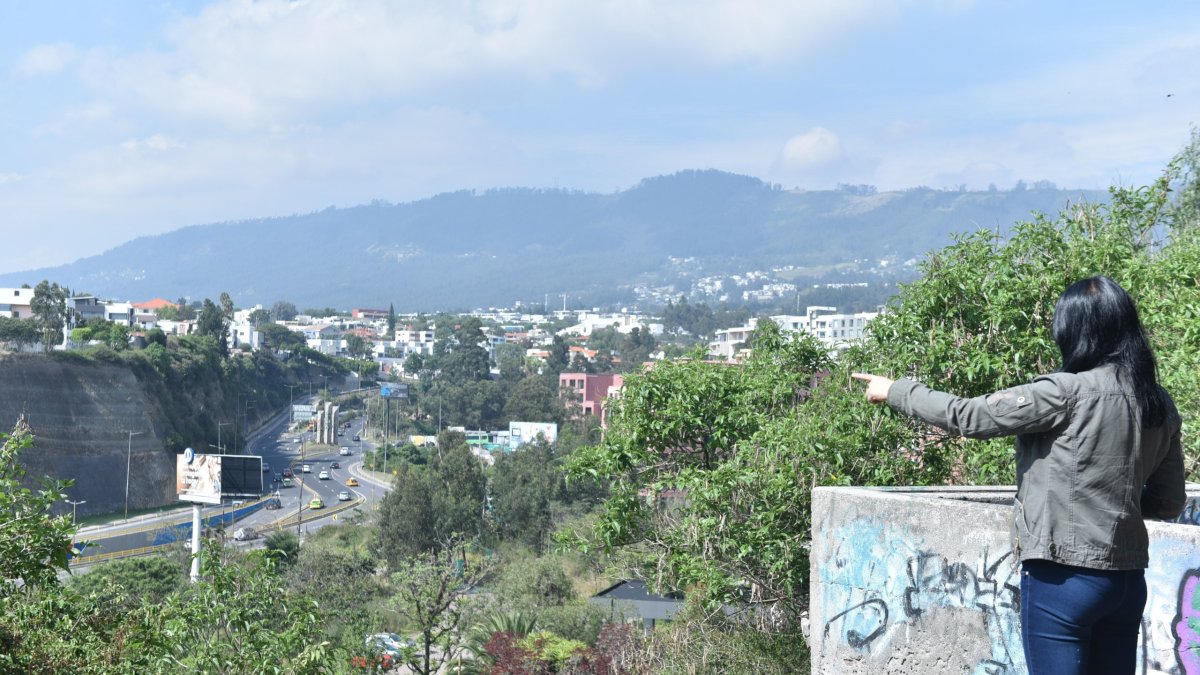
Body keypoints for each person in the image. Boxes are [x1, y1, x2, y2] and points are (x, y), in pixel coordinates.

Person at [852, 276, 1185, 675]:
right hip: (1127, 582)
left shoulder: (1064, 392)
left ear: (1074, 331)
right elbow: (1169, 502)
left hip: (1062, 578)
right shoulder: (1157, 401)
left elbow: (967, 416)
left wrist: (895, 391)